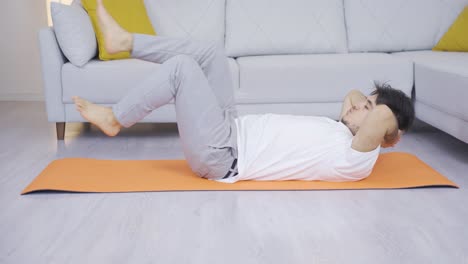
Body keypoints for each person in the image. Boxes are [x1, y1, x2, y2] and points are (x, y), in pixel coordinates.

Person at [72, 0, 415, 183]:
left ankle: (116, 117)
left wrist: (386, 126)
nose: (358, 106)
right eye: (366, 103)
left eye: (368, 109)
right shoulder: (346, 132)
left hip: (223, 155)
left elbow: (382, 116)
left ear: (385, 132)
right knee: (210, 55)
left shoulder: (357, 159)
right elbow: (354, 94)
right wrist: (365, 105)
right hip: (229, 129)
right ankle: (126, 42)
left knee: (182, 68)